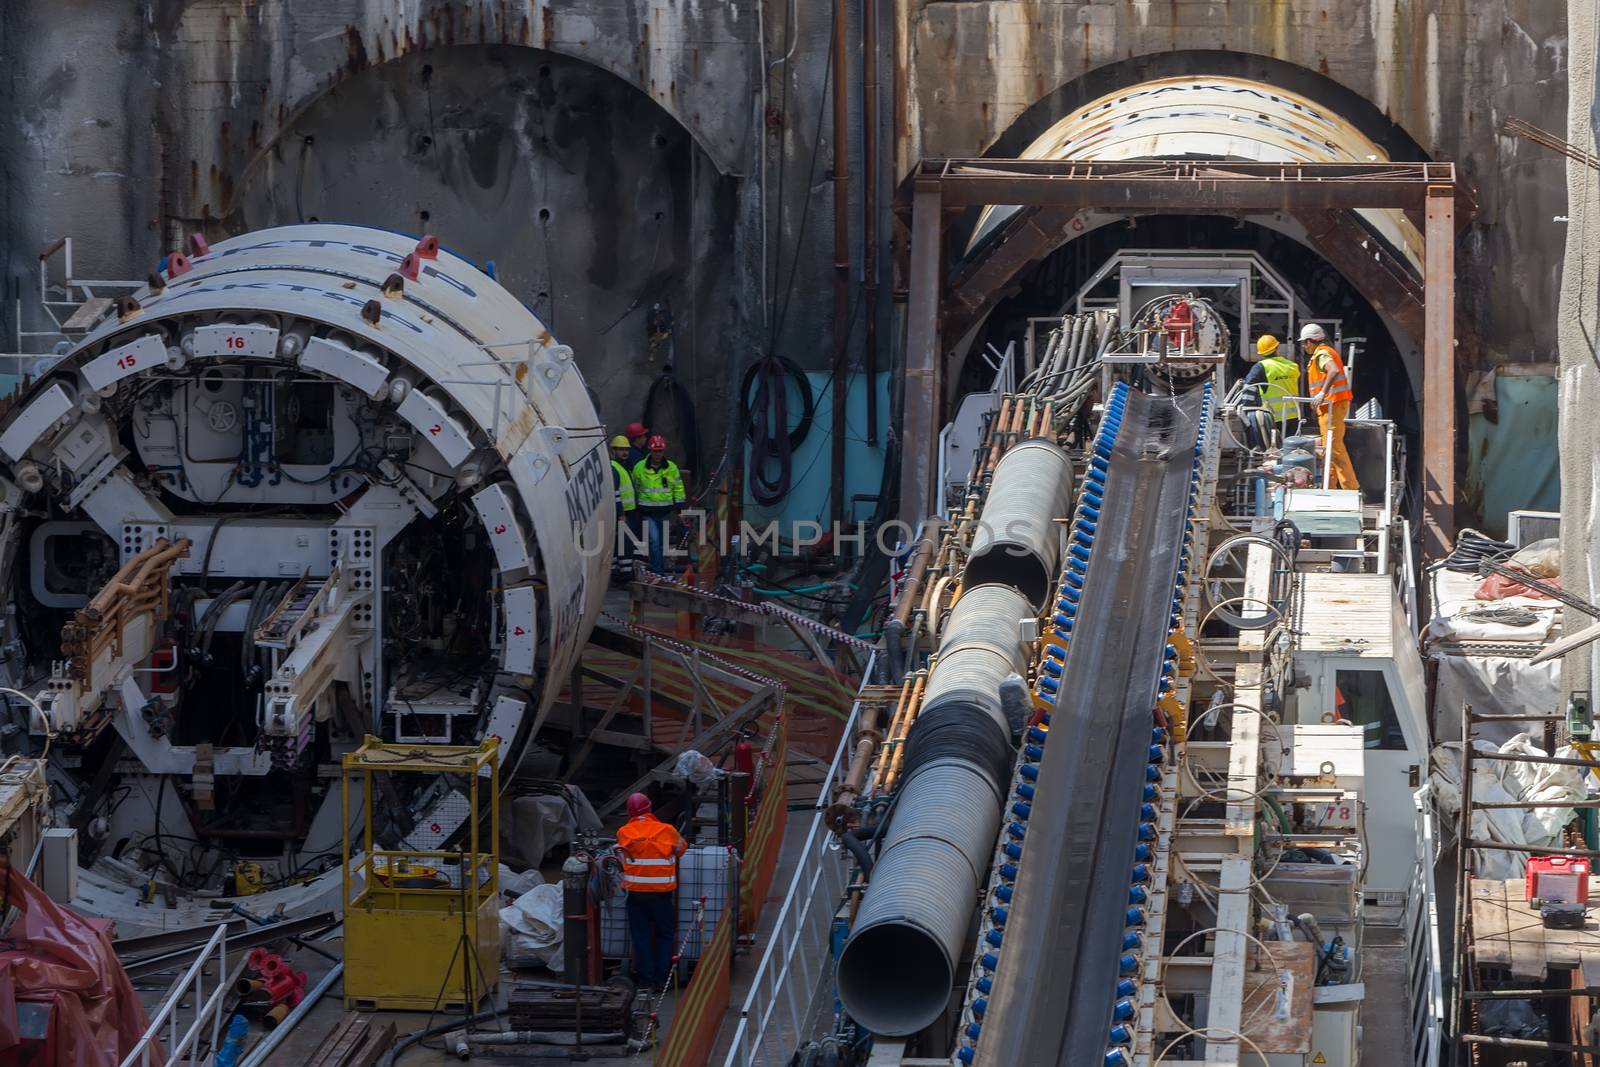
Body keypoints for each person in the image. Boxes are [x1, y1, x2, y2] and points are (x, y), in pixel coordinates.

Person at [616, 792, 686, 991]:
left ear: (629, 812)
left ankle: (646, 980)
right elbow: (682, 849)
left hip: (635, 893)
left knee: (641, 935)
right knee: (665, 934)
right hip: (661, 893)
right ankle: (662, 979)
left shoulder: (624, 832)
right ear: (650, 808)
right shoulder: (667, 830)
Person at [1298, 323, 1360, 493]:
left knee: (1335, 448)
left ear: (1311, 341)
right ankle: (1330, 487)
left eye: (1304, 343)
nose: (1304, 346)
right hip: (1332, 406)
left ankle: (1351, 488)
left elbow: (1332, 370)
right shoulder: (1325, 352)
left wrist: (1322, 393)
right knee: (1329, 448)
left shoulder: (1322, 354)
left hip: (1331, 406)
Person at [632, 435, 685, 576]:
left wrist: (680, 509)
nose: (658, 454)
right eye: (655, 451)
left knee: (662, 544)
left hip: (665, 513)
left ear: (664, 451)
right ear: (650, 450)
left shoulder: (671, 468)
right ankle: (658, 572)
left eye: (660, 451)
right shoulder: (639, 468)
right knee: (654, 542)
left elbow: (678, 488)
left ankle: (659, 571)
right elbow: (635, 488)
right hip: (648, 513)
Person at [1241, 334, 1301, 429]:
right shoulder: (1293, 366)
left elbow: (1248, 388)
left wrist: (1246, 409)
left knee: (1273, 443)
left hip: (1272, 418)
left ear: (1261, 353)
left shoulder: (1261, 367)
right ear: (1277, 347)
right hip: (1294, 416)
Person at [609, 436, 637, 578]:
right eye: (621, 449)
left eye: (626, 449)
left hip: (627, 512)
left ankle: (617, 573)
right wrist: (620, 514)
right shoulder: (614, 468)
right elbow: (616, 494)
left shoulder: (623, 466)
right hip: (621, 513)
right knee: (624, 545)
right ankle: (625, 575)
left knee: (621, 544)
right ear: (613, 451)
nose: (624, 452)